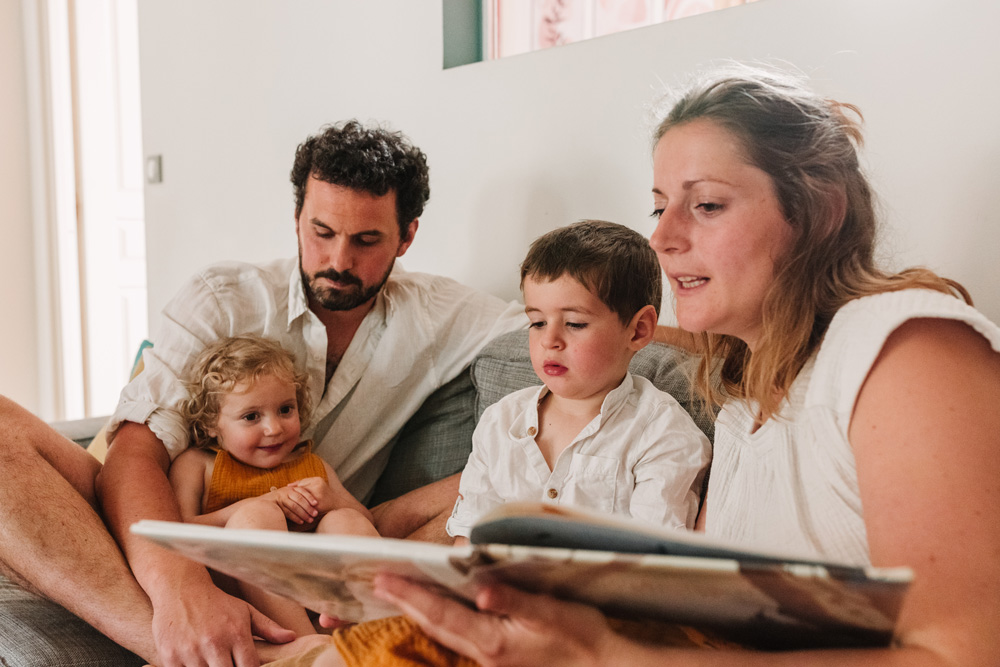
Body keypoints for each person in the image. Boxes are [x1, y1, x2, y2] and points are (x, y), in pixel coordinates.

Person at [333, 65, 1000, 666]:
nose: (661, 236)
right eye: (659, 206)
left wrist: (603, 656)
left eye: (706, 204)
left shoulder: (905, 349)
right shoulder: (744, 404)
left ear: (819, 212)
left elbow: (964, 653)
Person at [0, 119, 526, 666]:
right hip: (164, 527)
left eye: (366, 240)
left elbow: (572, 327)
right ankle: (242, 654)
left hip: (310, 544)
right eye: (321, 232)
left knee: (509, 485)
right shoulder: (225, 298)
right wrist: (180, 585)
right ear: (297, 216)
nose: (339, 260)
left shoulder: (441, 315)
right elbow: (135, 452)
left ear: (407, 235)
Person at [446, 220, 711, 543]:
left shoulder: (664, 435)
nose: (550, 340)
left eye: (575, 323)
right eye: (538, 322)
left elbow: (654, 561)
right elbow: (467, 536)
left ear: (639, 329)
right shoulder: (500, 421)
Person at [170, 335, 379, 637]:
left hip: (315, 595)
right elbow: (180, 532)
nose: (274, 428)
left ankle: (365, 630)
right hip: (240, 591)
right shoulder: (199, 465)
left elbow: (367, 522)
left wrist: (333, 500)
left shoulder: (313, 466)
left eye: (285, 409)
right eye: (251, 416)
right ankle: (304, 644)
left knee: (344, 519)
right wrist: (261, 506)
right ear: (211, 424)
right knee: (257, 517)